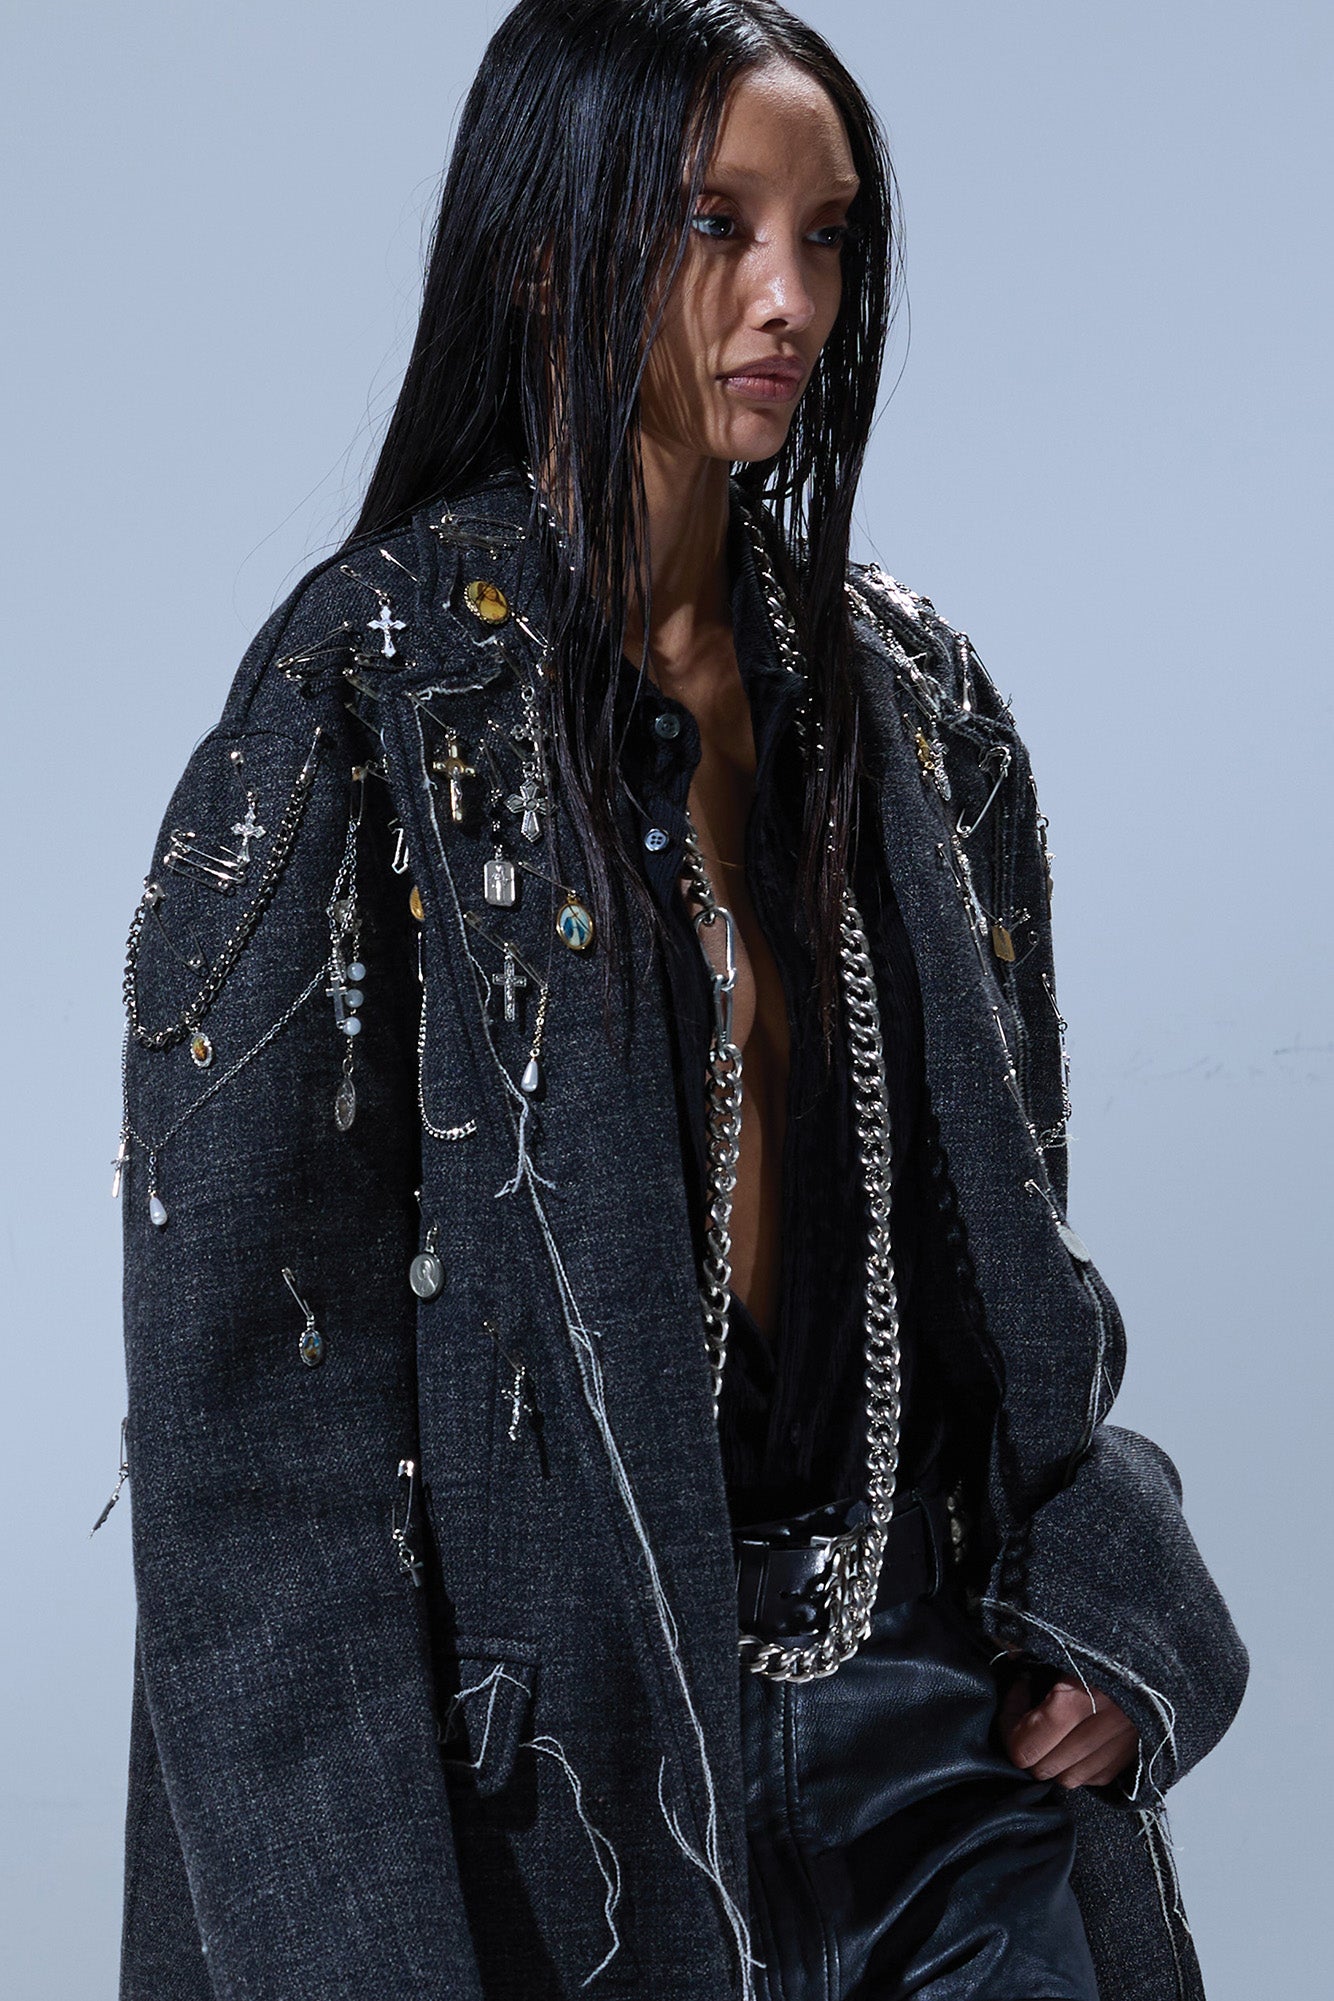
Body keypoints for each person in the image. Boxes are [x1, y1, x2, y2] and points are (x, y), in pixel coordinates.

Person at [113, 4, 1247, 1997]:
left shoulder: (921, 713)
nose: (789, 297)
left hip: (946, 1756)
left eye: (829, 232)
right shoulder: (365, 706)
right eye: (715, 224)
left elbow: (1009, 1304)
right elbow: (253, 1473)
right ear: (551, 252)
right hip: (566, 1822)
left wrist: (1110, 1592)